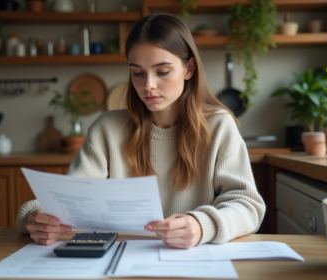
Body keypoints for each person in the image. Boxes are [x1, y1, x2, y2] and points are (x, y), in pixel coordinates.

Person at [17, 13, 266, 249]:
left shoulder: (219, 125)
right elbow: (67, 201)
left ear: (189, 69)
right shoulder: (107, 129)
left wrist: (202, 226)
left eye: (162, 71)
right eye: (138, 73)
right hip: (120, 261)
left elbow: (248, 206)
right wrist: (34, 218)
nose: (148, 85)